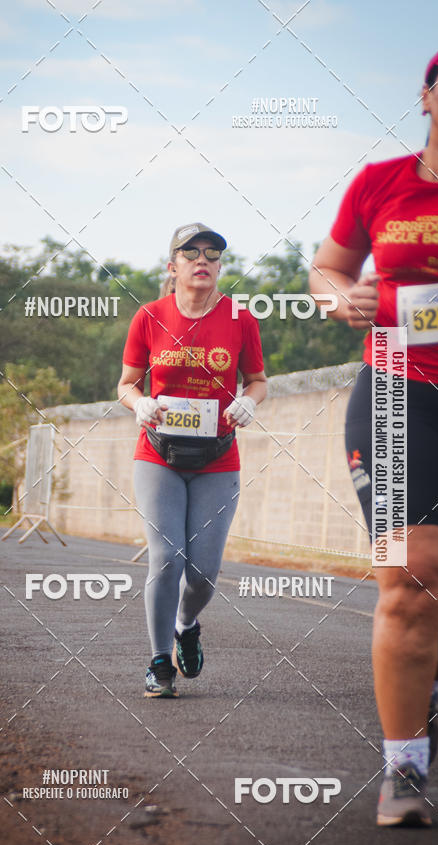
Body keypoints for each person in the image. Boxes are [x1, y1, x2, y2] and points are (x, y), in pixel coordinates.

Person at [310, 40, 438, 826]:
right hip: (395, 396)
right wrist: (337, 298)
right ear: (426, 94)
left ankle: (418, 691)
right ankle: (403, 770)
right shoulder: (381, 183)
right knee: (412, 583)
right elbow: (327, 269)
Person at [118, 223, 267, 697]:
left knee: (202, 572)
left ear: (220, 266)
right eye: (192, 253)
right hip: (158, 454)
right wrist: (138, 403)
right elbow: (127, 383)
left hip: (218, 458)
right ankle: (160, 661)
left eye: (212, 254)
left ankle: (186, 623)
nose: (203, 260)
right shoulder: (149, 316)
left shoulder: (240, 317)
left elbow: (259, 379)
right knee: (166, 559)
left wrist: (250, 401)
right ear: (173, 265)